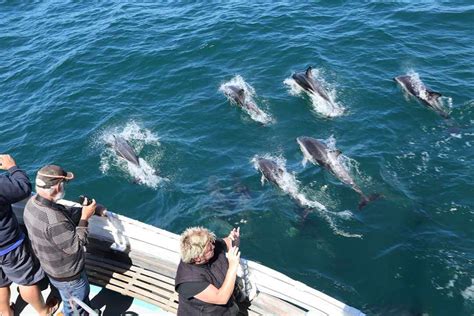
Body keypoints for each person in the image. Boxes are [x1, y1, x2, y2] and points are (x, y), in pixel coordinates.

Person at [23, 164, 104, 316]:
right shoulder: (55, 221)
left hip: (51, 268)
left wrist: (83, 211)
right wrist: (85, 217)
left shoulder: (32, 203)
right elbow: (77, 245)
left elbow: (61, 213)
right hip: (69, 276)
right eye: (63, 183)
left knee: (74, 299)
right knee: (74, 305)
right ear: (57, 187)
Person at [0, 154, 58, 316]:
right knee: (26, 281)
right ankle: (44, 310)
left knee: (0, 283)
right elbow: (22, 188)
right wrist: (12, 167)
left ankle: (5, 312)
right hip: (8, 246)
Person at [175, 226, 241, 315]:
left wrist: (233, 238)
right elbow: (221, 298)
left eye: (211, 243)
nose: (213, 246)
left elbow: (228, 242)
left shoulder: (209, 245)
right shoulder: (188, 282)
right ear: (198, 258)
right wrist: (232, 266)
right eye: (209, 249)